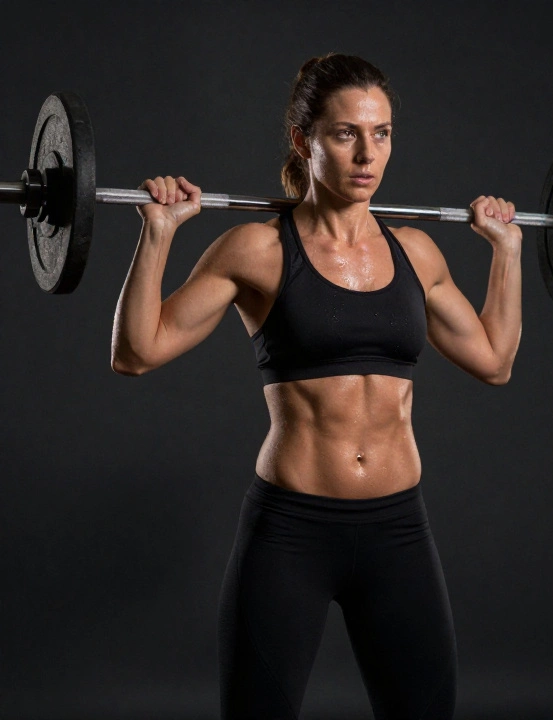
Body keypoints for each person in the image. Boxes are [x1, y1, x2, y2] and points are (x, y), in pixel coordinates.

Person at [110, 53, 520, 719]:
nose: (367, 154)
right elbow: (137, 352)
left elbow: (495, 359)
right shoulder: (256, 249)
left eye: (381, 132)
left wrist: (506, 251)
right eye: (345, 133)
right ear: (304, 141)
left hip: (397, 531)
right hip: (291, 534)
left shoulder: (417, 252)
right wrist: (156, 236)